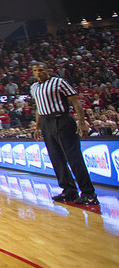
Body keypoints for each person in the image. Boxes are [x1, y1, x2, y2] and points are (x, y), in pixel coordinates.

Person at [29, 62, 97, 205]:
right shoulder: (34, 87)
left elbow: (76, 102)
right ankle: (69, 190)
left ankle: (88, 193)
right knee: (56, 158)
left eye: (41, 70)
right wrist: (37, 127)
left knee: (73, 158)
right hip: (47, 123)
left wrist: (82, 122)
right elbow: (39, 109)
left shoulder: (59, 82)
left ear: (47, 70)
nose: (38, 73)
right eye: (35, 71)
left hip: (62, 120)